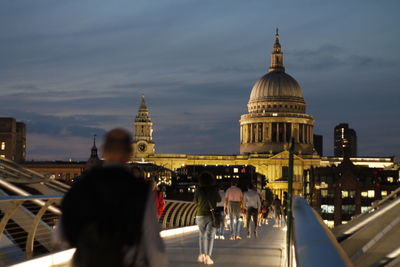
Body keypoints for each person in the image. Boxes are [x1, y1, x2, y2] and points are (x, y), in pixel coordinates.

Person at [60, 129, 167, 267]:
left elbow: (62, 234)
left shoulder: (81, 185)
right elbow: (152, 240)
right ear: (129, 153)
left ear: (104, 150)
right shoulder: (140, 190)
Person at [193, 172, 221, 265]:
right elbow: (219, 199)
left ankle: (202, 254)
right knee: (210, 236)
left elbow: (195, 202)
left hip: (200, 215)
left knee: (202, 235)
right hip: (211, 216)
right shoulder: (214, 190)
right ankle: (208, 257)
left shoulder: (198, 190)